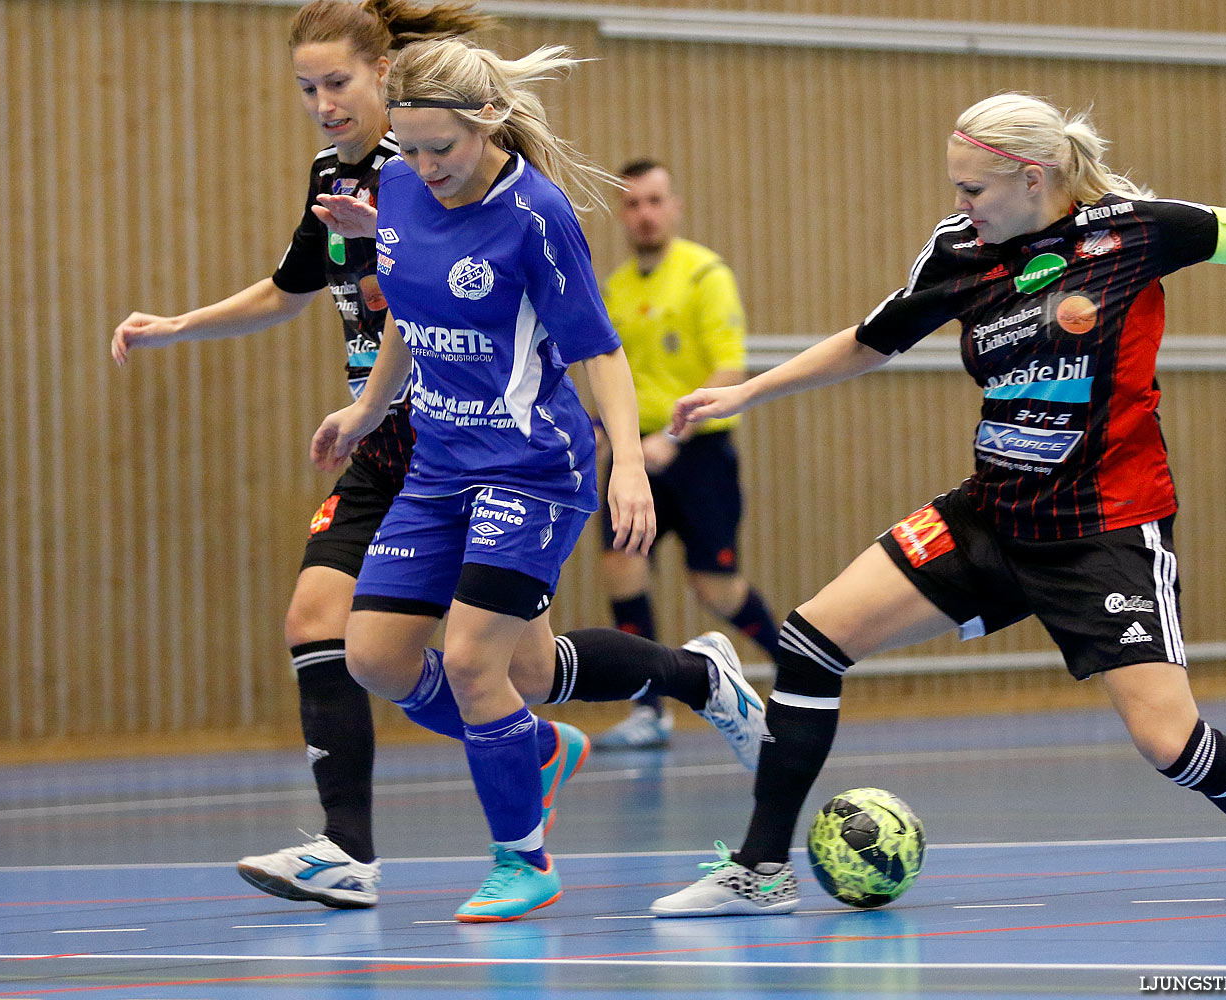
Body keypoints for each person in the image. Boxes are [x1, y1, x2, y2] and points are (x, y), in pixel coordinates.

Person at [651, 92, 1226, 916]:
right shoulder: (960, 250)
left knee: (1169, 741)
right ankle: (761, 871)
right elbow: (871, 342)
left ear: (1032, 177)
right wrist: (750, 392)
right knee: (811, 641)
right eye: (955, 188)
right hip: (994, 515)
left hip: (1105, 530)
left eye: (973, 190)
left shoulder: (1137, 232)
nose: (958, 205)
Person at [308, 34, 766, 923]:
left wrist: (628, 462)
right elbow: (408, 303)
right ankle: (671, 686)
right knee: (384, 658)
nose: (425, 165)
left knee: (479, 666)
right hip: (439, 464)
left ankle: (524, 859)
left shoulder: (539, 216)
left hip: (530, 465)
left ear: (489, 124)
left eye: (442, 148)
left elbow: (598, 349)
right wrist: (366, 409)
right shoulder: (398, 185)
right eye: (410, 146)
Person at [110, 0, 499, 910]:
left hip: (461, 445)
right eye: (305, 88)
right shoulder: (332, 170)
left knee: (513, 671)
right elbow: (291, 288)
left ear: (382, 76)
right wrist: (177, 325)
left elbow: (439, 297)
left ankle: (689, 674)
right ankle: (348, 851)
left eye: (337, 83)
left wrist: (369, 392)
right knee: (314, 621)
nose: (322, 103)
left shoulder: (428, 164)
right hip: (380, 445)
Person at [591, 160, 780, 750]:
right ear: (623, 214)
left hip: (697, 453)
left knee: (714, 585)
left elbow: (730, 366)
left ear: (673, 206)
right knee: (622, 569)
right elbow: (608, 373)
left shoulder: (704, 275)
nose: (644, 214)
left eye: (654, 201)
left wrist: (670, 437)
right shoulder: (615, 288)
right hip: (632, 459)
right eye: (633, 204)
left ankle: (798, 668)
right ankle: (649, 709)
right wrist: (604, 433)